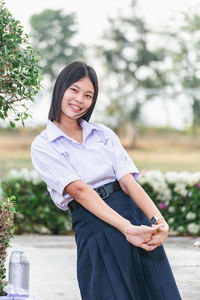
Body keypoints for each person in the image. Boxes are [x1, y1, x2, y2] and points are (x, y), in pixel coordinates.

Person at [31, 61, 182, 300]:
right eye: (74, 89)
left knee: (157, 292)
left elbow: (128, 182)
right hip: (95, 226)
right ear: (60, 88)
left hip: (134, 218)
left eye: (88, 95)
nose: (80, 99)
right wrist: (126, 228)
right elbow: (80, 190)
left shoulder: (103, 134)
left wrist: (158, 219)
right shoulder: (44, 145)